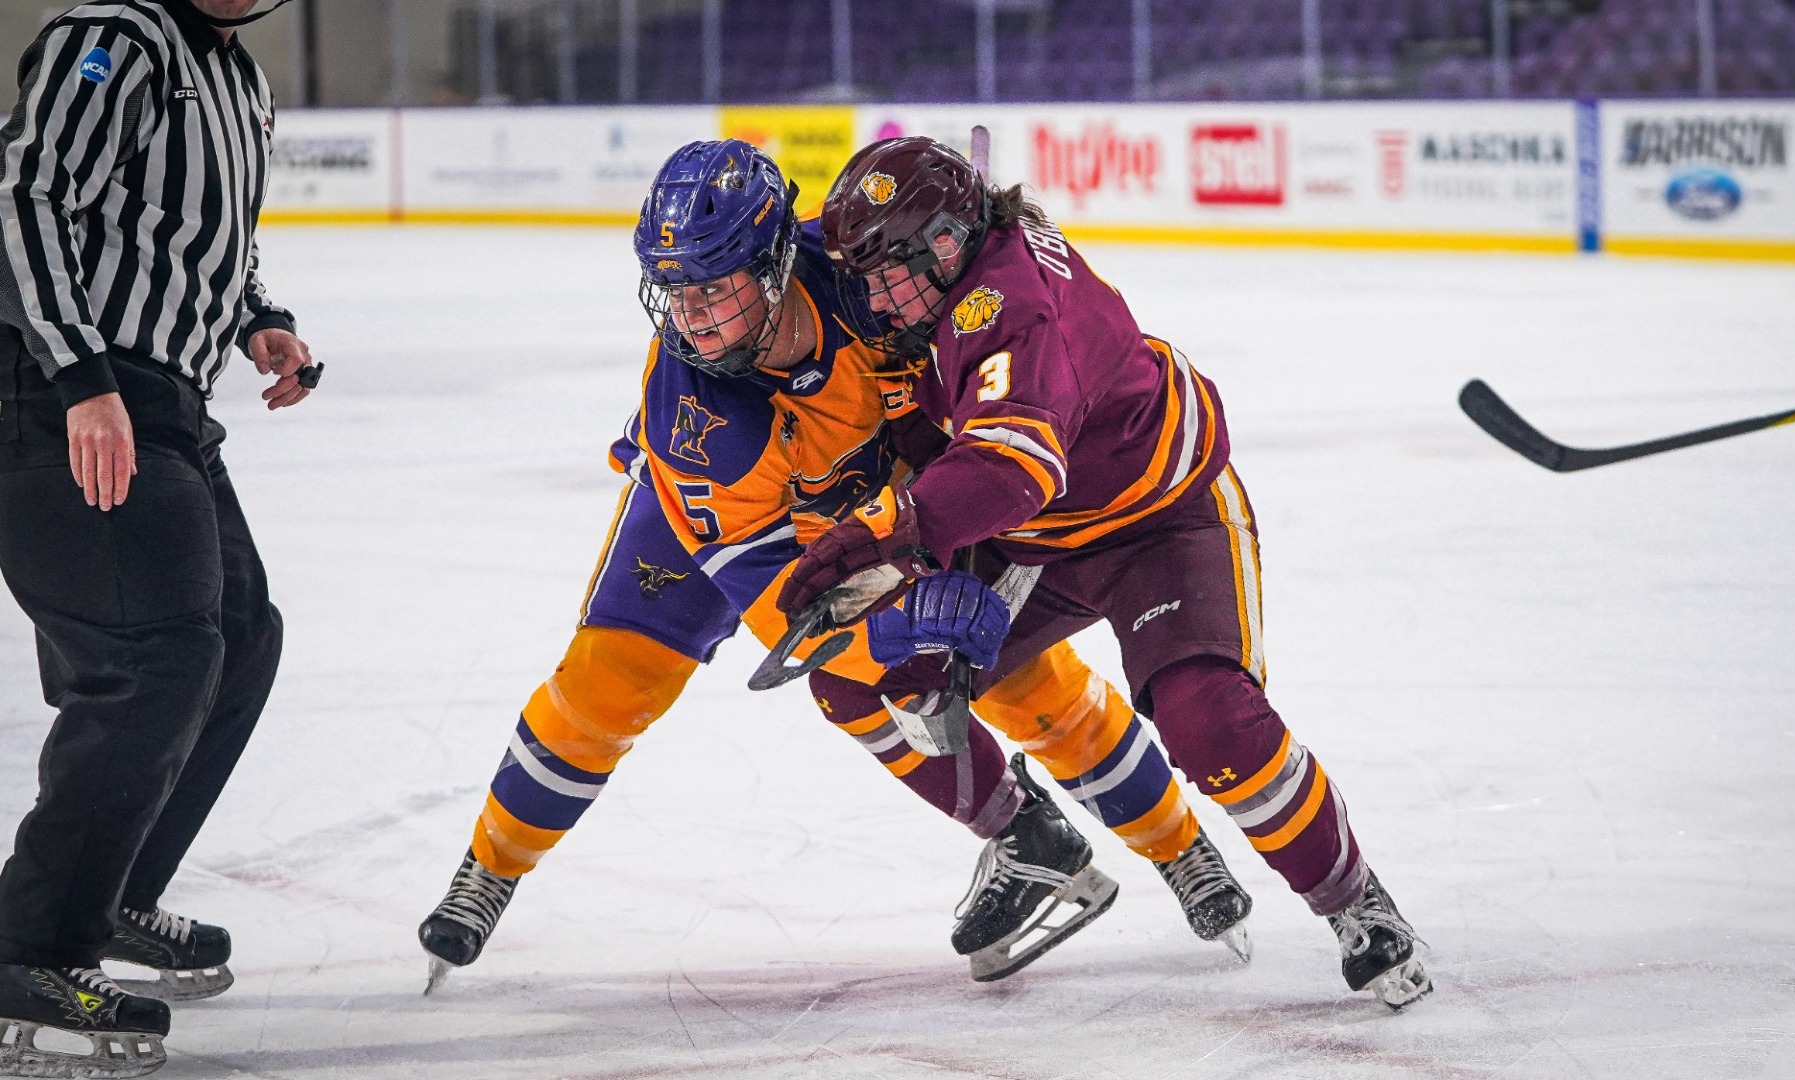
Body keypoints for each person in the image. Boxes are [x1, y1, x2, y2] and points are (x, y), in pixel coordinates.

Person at [417, 140, 1253, 990]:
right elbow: (785, 611)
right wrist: (895, 627)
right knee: (607, 685)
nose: (692, 319)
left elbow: (996, 306)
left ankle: (1180, 848)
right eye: (676, 293)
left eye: (714, 289)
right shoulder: (695, 415)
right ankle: (490, 867)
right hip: (719, 519)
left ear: (778, 264)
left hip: (878, 498)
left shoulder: (869, 268)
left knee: (1015, 672)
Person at [786, 136, 1433, 1008]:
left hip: (1159, 515)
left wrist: (891, 526)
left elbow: (1011, 469)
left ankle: (1354, 900)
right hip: (1034, 536)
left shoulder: (1007, 305)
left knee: (1211, 722)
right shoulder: (946, 271)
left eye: (886, 271)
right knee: (867, 675)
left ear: (945, 244)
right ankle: (1031, 840)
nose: (871, 294)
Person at [0, 0, 314, 1075]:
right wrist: (79, 378)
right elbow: (27, 196)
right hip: (63, 390)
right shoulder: (117, 38)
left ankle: (114, 890)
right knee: (158, 657)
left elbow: (201, 240)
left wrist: (255, 316)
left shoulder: (239, 82)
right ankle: (26, 948)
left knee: (239, 632)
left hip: (166, 397)